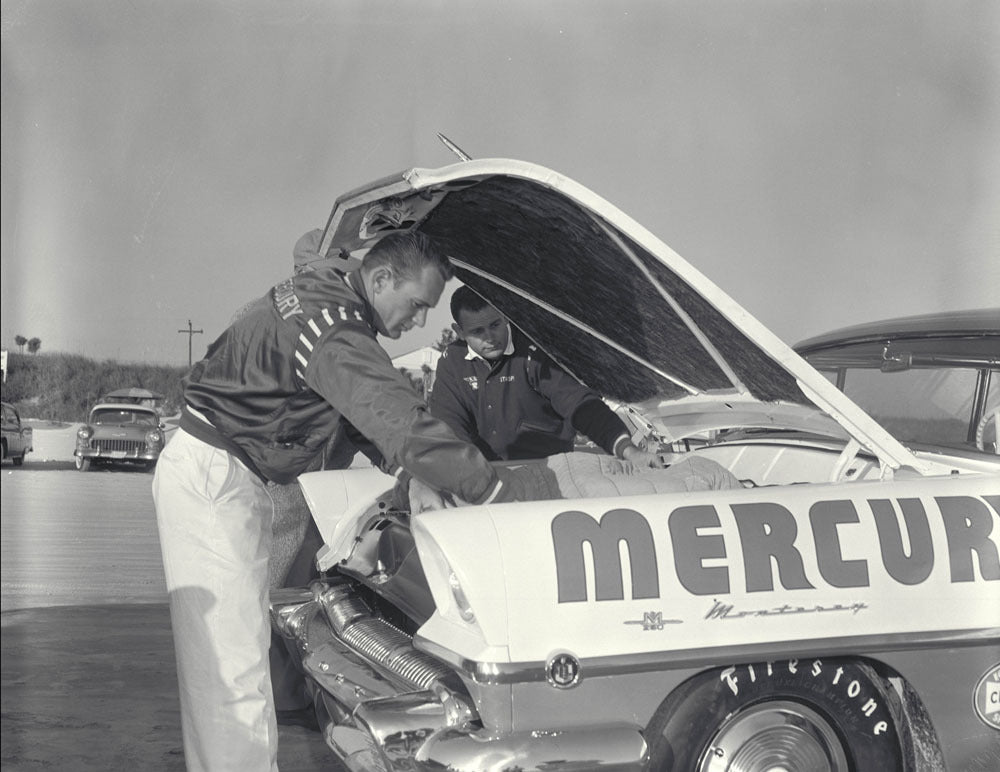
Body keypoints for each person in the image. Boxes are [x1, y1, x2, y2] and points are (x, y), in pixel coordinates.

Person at [152, 231, 520, 772]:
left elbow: (350, 414)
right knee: (230, 673)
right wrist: (493, 493)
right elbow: (393, 414)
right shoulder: (332, 329)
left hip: (229, 470)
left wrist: (407, 474)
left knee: (237, 658)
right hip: (215, 476)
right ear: (381, 279)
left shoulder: (326, 292)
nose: (417, 322)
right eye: (417, 305)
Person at [429, 285, 663, 467]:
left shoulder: (535, 351)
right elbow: (447, 424)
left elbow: (579, 404)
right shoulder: (452, 360)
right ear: (459, 331)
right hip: (485, 477)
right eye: (477, 331)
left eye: (495, 324)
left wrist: (627, 450)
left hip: (548, 472)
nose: (490, 337)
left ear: (505, 315)